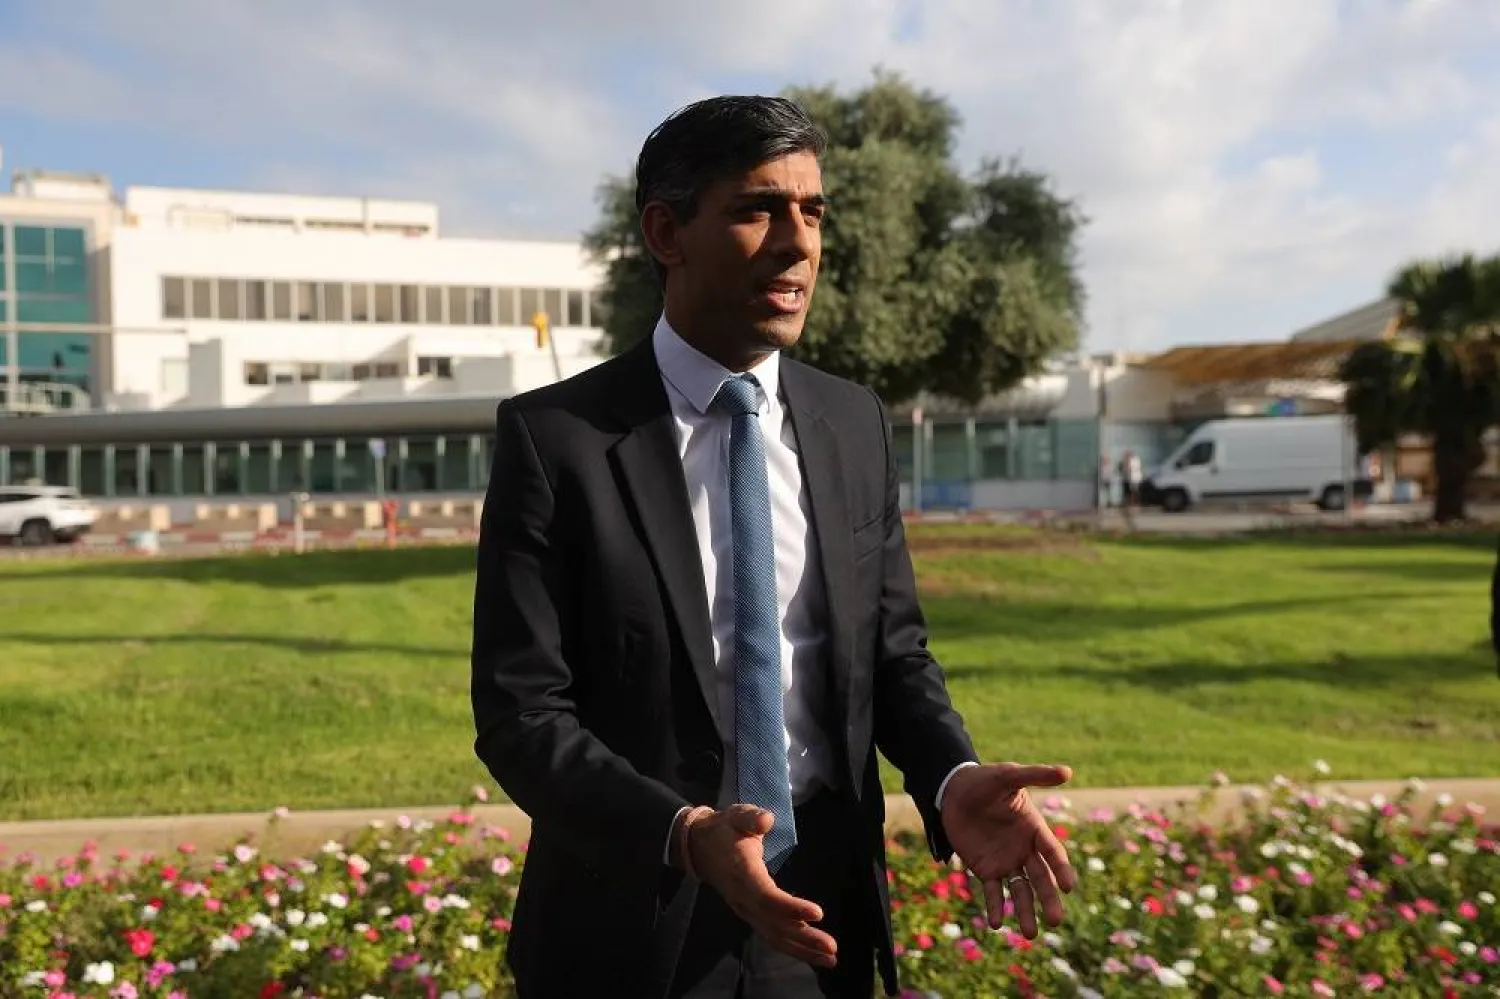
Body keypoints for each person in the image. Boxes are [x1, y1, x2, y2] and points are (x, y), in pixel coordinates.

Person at [470, 95, 1077, 999]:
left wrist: (948, 775)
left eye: (814, 211)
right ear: (666, 233)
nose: (800, 244)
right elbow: (523, 714)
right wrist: (684, 831)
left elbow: (894, 654)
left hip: (822, 922)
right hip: (629, 928)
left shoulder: (852, 422)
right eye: (759, 209)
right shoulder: (557, 439)